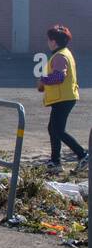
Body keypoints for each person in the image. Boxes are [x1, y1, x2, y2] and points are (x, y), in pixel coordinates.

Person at [37, 24, 87, 173]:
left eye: (49, 39)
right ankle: (55, 161)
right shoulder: (65, 53)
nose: (47, 42)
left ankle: (83, 155)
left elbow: (59, 76)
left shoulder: (59, 56)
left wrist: (43, 80)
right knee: (53, 129)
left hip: (64, 98)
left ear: (53, 41)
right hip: (64, 97)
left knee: (58, 130)